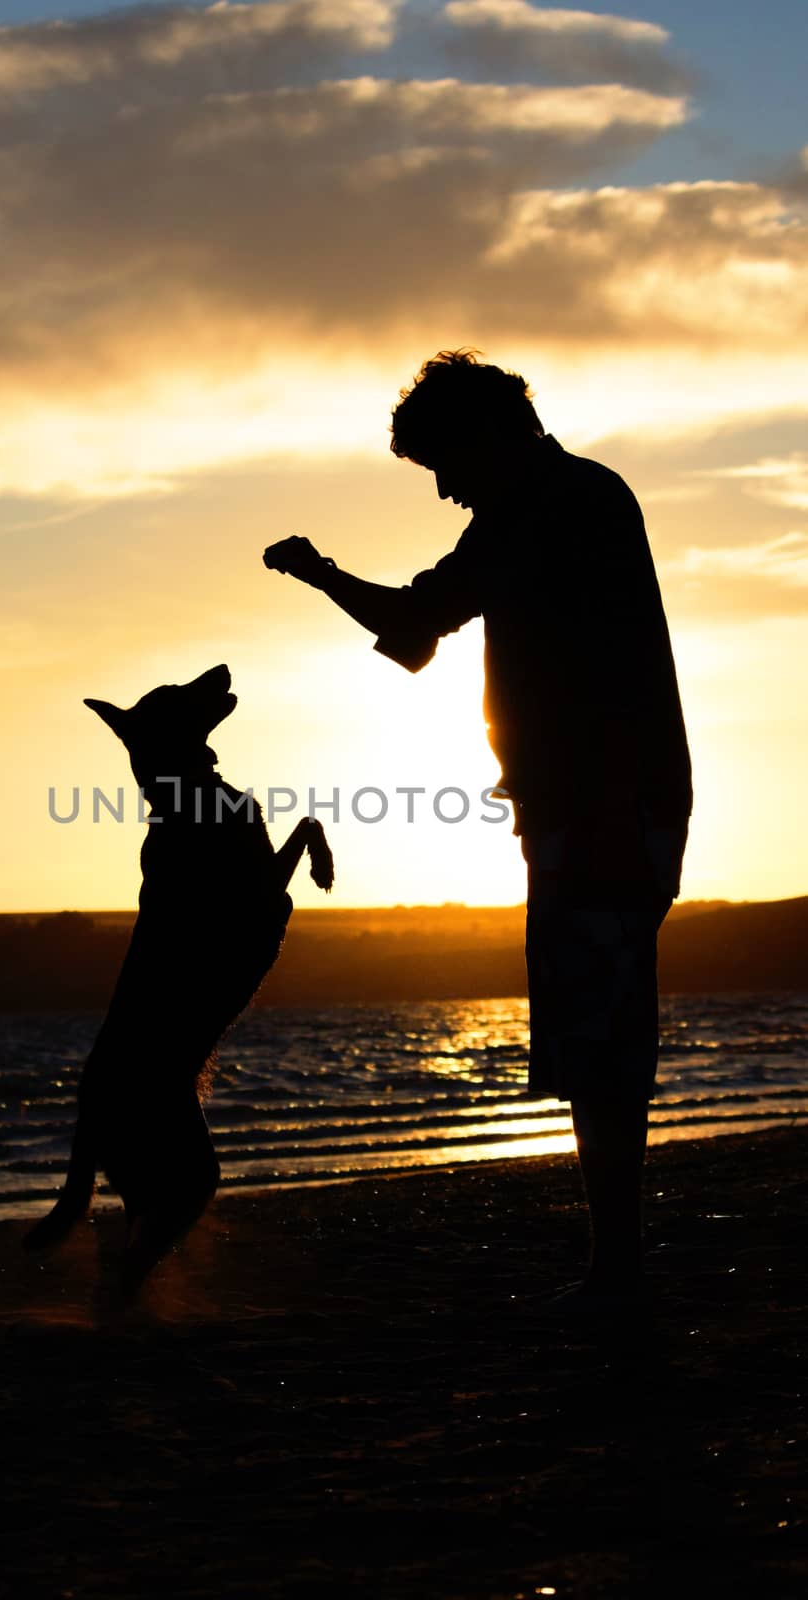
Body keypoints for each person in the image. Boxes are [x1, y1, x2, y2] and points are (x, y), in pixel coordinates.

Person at [264, 348, 692, 1303]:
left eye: (443, 466)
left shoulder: (550, 506)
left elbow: (420, 622)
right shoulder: (557, 500)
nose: (446, 491)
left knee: (602, 1041)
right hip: (595, 804)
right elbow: (424, 627)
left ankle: (615, 1268)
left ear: (485, 434)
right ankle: (612, 1263)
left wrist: (320, 574)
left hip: (606, 806)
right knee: (597, 1038)